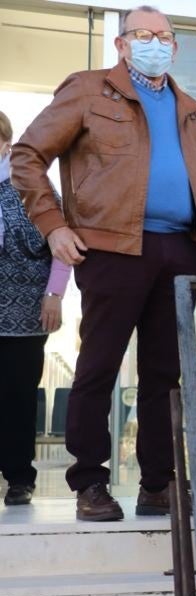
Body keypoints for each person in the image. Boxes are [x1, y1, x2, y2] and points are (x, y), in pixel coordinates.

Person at [10, 5, 196, 522]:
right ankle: (88, 482)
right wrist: (54, 225)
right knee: (99, 365)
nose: (155, 43)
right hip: (111, 248)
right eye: (142, 34)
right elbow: (27, 155)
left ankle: (157, 484)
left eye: (164, 36)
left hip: (180, 251)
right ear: (122, 44)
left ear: (176, 46)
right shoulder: (86, 89)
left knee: (164, 374)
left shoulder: (190, 108)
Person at [0, 111, 70, 507]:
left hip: (26, 316)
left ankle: (18, 477)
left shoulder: (33, 188)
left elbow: (60, 247)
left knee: (18, 397)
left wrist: (55, 295)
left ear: (6, 142)